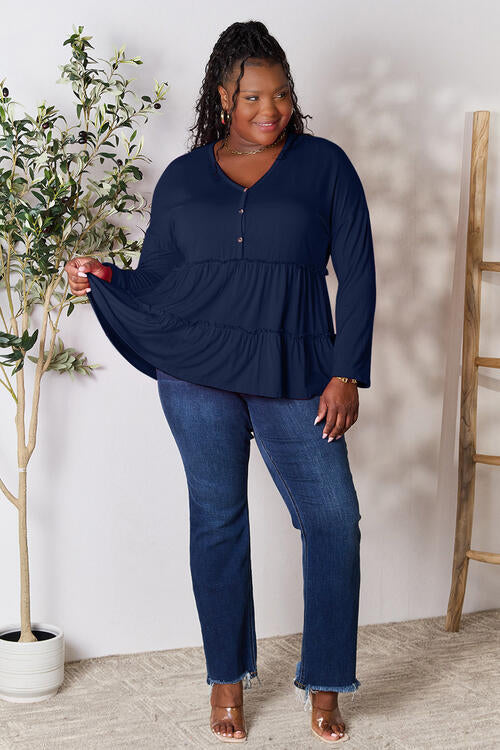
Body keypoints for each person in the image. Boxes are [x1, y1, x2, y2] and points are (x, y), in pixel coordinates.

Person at [64, 19, 376, 745]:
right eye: (253, 96)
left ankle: (327, 682)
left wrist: (346, 371)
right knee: (218, 520)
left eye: (282, 94)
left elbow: (358, 275)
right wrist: (105, 276)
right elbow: (160, 281)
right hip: (197, 372)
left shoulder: (326, 166)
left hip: (296, 370)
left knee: (333, 520)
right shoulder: (181, 177)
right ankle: (226, 682)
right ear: (222, 96)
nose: (271, 109)